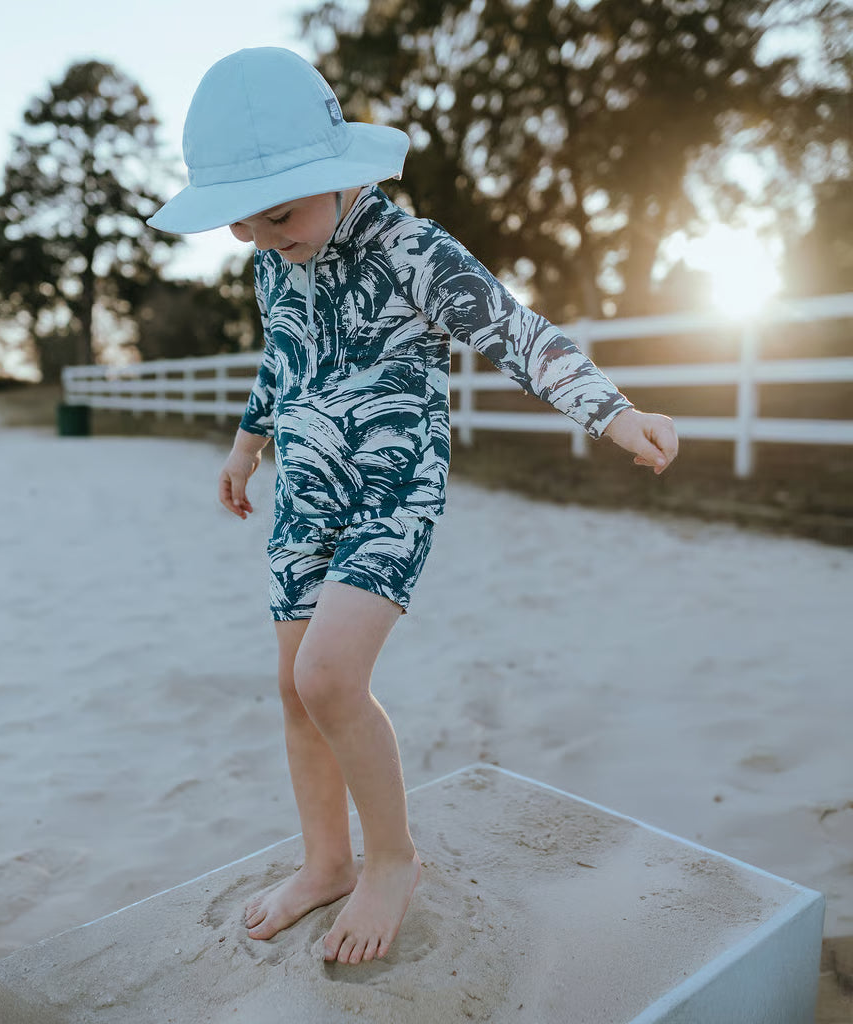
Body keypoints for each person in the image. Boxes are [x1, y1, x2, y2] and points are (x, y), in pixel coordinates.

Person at [146, 47, 679, 966]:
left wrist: (613, 411)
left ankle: (392, 859)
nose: (270, 237)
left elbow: (516, 331)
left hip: (392, 487)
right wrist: (246, 446)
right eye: (248, 224)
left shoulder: (412, 250)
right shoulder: (276, 264)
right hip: (303, 493)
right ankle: (326, 862)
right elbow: (281, 361)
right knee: (291, 688)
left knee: (330, 679)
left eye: (284, 212)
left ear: (340, 173)